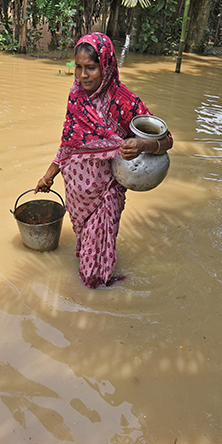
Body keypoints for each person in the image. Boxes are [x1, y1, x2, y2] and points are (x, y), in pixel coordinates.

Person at [35, 32, 173, 288]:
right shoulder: (76, 96)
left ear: (107, 65)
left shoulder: (125, 102)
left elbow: (167, 141)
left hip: (106, 193)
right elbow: (68, 143)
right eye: (78, 67)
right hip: (76, 192)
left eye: (91, 67)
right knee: (86, 242)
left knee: (92, 275)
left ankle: (96, 294)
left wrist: (143, 144)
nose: (83, 75)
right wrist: (48, 176)